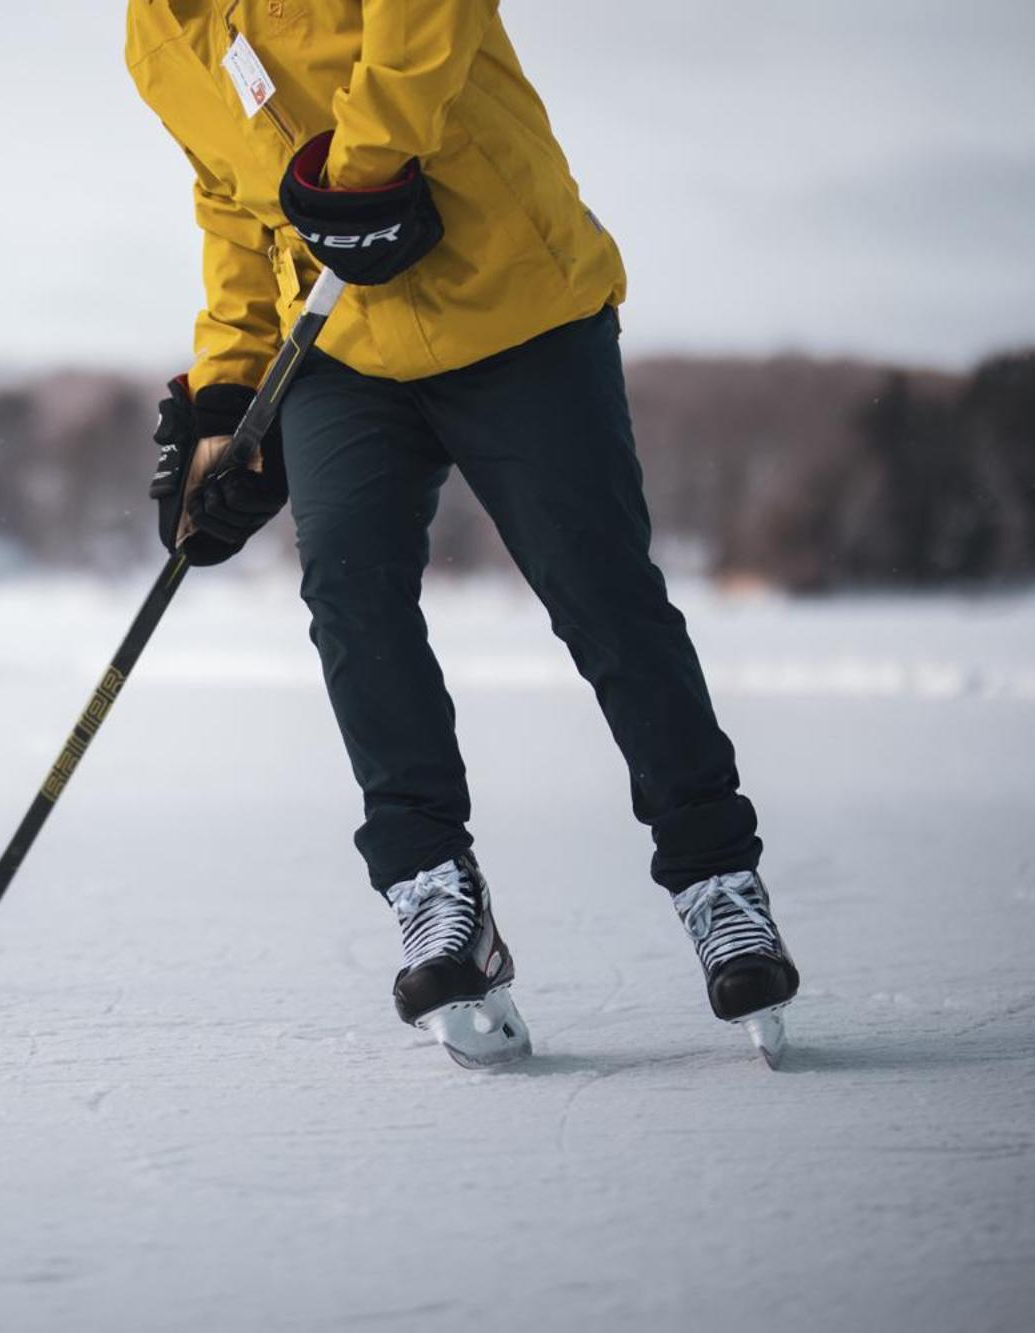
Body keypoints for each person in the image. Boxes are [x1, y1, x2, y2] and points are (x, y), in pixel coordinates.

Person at [126, 0, 799, 1068]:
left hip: (515, 310)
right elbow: (231, 206)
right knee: (346, 585)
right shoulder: (157, 30)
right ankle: (432, 891)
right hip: (342, 342)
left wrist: (360, 166)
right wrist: (224, 393)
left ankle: (716, 879)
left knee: (597, 588)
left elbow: (422, 23)